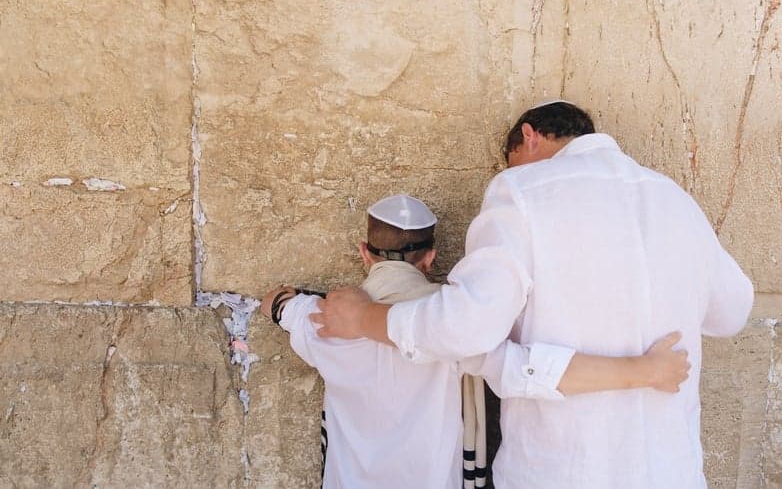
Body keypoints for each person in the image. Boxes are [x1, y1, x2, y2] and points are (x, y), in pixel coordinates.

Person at [311, 101, 755, 488]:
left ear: (529, 137)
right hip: (671, 471)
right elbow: (732, 312)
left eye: (510, 160)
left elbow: (464, 328)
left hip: (562, 470)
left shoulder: (522, 192)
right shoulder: (675, 199)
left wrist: (362, 320)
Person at [263, 193, 691, 489]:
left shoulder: (323, 320)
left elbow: (275, 304)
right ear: (430, 258)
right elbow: (531, 372)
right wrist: (645, 371)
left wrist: (295, 300)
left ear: (364, 251)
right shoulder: (455, 326)